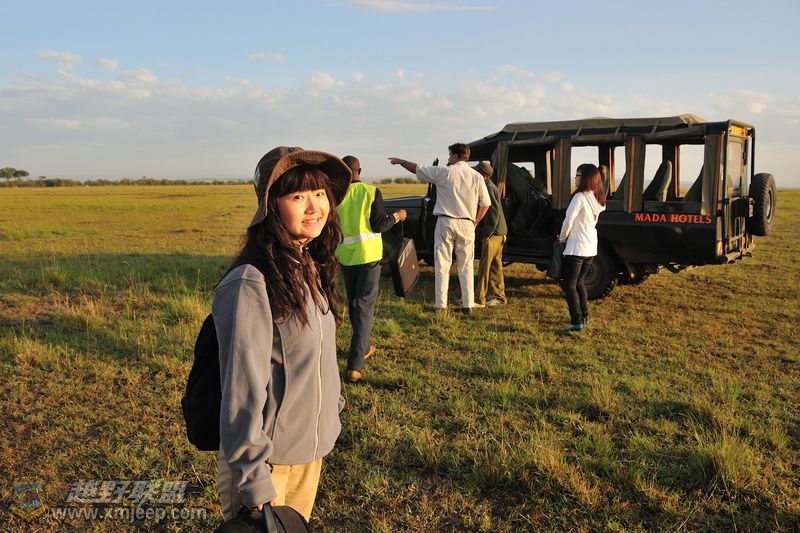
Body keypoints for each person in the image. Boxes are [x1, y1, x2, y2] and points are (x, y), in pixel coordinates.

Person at [212, 146, 350, 523]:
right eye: (298, 196)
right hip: (267, 466)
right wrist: (254, 478)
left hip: (307, 454)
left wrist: (331, 411)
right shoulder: (252, 282)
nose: (314, 207)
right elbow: (241, 390)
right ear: (271, 206)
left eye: (320, 193)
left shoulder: (308, 267)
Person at [389, 143, 491, 314]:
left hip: (446, 222)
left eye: (450, 155)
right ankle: (467, 305)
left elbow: (418, 169)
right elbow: (486, 204)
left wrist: (401, 162)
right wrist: (474, 222)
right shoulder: (477, 177)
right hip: (467, 224)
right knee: (466, 265)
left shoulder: (444, 172)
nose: (448, 158)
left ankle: (441, 305)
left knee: (442, 264)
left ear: (455, 156)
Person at [336, 155, 407, 384]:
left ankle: (364, 346)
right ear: (360, 170)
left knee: (355, 304)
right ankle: (355, 365)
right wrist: (397, 217)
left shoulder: (335, 195)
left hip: (346, 257)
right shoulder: (371, 191)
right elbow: (379, 225)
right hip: (369, 257)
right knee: (364, 307)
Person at [557, 163, 607, 332]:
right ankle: (584, 315)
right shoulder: (597, 197)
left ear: (585, 178)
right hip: (591, 246)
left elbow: (568, 220)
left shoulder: (579, 197)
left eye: (578, 175)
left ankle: (576, 321)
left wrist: (562, 238)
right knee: (579, 282)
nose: (575, 178)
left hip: (577, 246)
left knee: (569, 284)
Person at [473, 161, 507, 307]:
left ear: (483, 175)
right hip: (499, 233)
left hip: (493, 234)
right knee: (495, 267)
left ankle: (478, 299)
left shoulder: (487, 187)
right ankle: (500, 297)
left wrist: (487, 233)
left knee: (484, 268)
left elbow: (493, 212)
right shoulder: (490, 186)